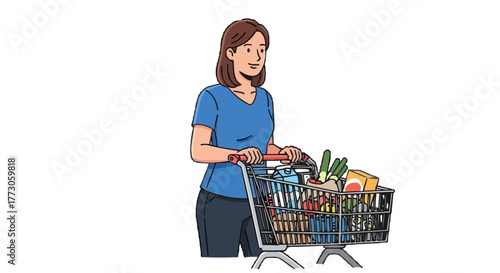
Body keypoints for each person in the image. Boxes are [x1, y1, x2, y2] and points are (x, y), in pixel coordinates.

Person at [190, 18, 303, 257]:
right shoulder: (211, 97)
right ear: (230, 53)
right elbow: (198, 150)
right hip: (220, 200)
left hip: (261, 200)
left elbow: (267, 146)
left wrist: (285, 154)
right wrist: (235, 155)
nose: (257, 56)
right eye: (249, 49)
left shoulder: (265, 98)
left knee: (265, 262)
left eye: (262, 50)